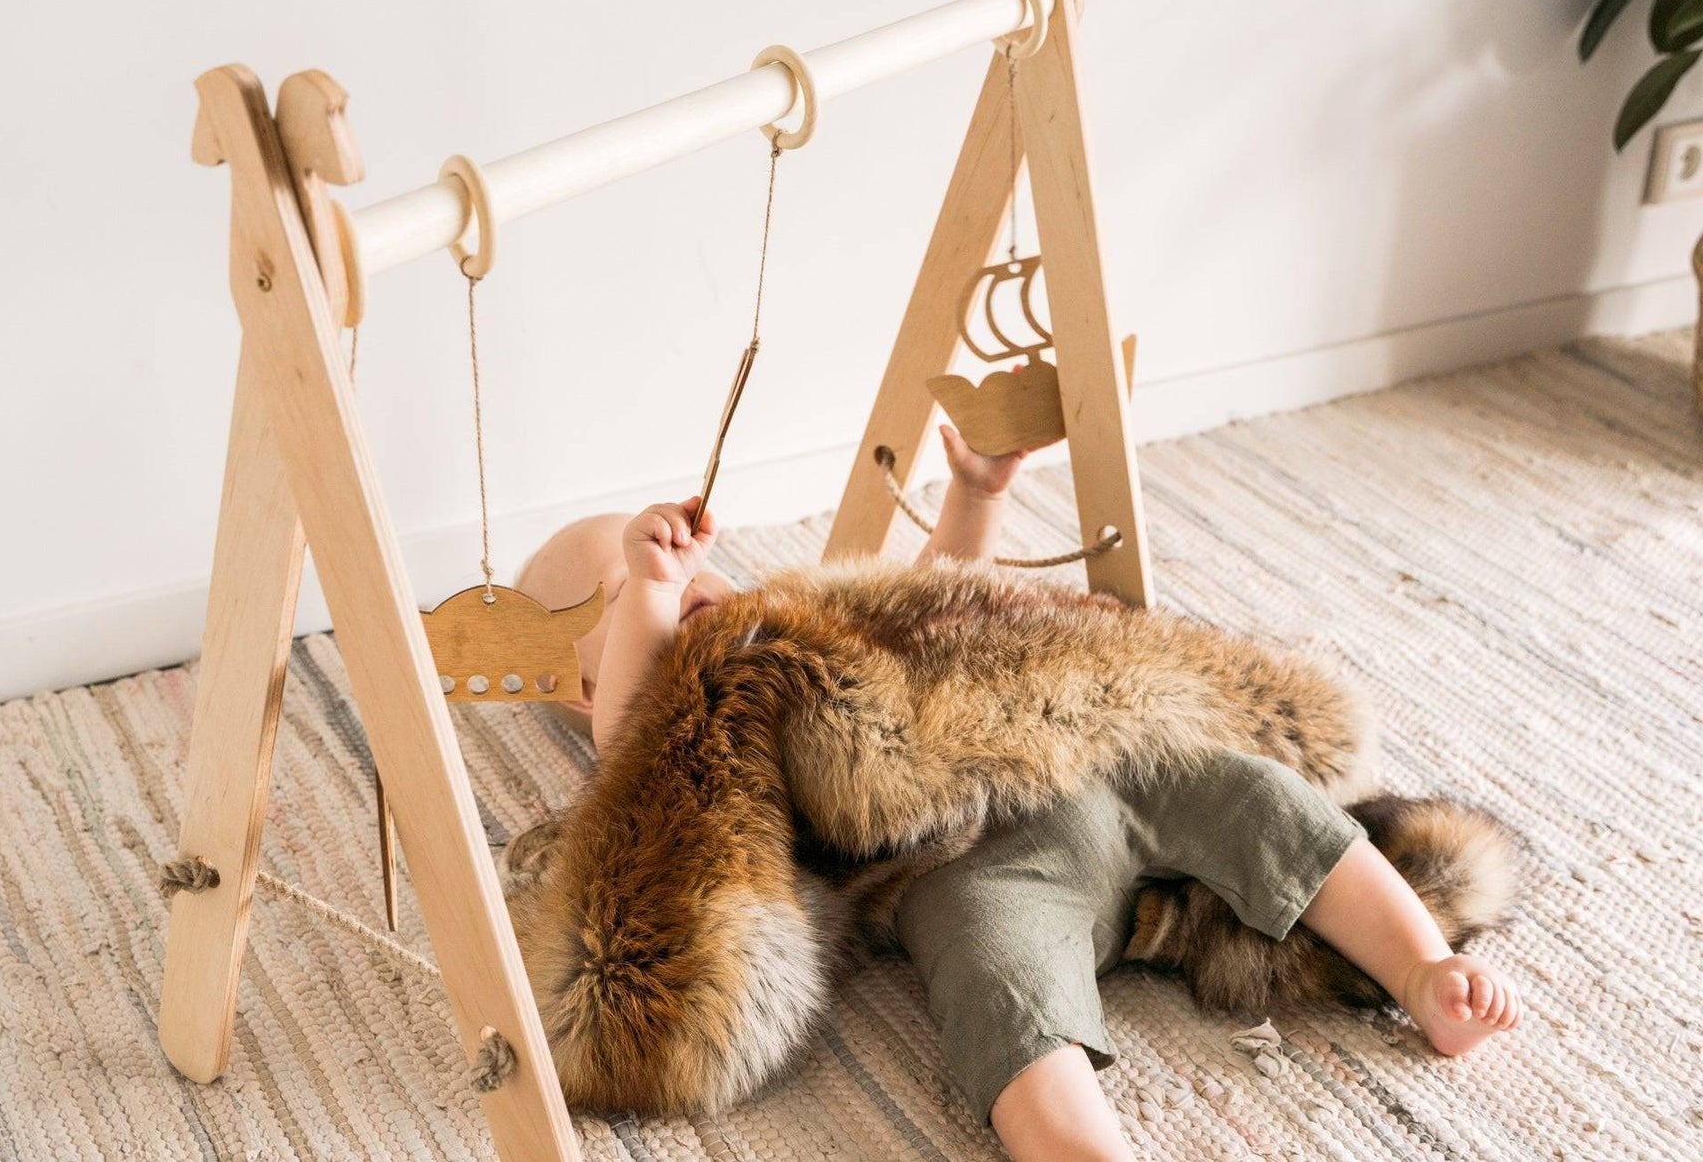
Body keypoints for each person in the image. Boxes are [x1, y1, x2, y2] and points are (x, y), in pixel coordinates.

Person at [512, 425, 1521, 1162]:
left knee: (1252, 793)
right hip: (966, 867)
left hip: (1095, 768)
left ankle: (1420, 969)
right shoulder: (680, 732)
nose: (673, 567)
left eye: (680, 560)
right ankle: (1081, 1148)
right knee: (993, 980)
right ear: (585, 685)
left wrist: (976, 492)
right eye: (619, 588)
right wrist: (650, 599)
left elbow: (944, 608)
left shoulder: (795, 622)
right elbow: (639, 737)